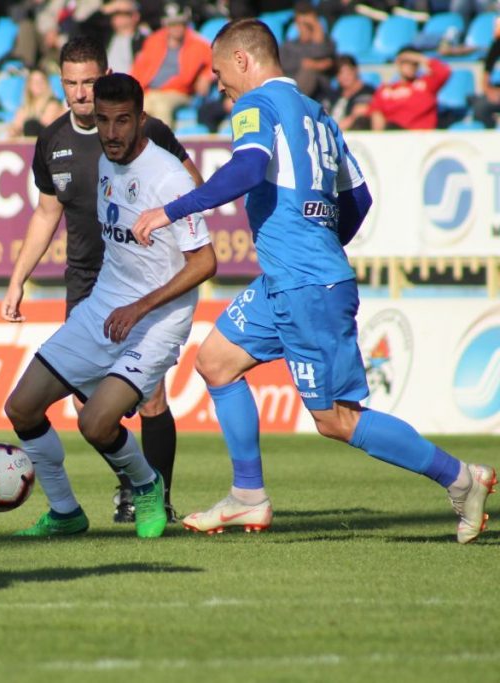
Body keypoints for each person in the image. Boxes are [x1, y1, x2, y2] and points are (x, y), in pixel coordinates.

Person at [130, 18, 497, 543]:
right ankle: (247, 497)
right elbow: (360, 199)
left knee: (336, 419)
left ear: (242, 60)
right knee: (215, 362)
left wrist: (172, 210)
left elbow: (249, 168)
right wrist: (321, 242)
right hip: (289, 278)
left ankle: (461, 479)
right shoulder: (320, 116)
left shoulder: (254, 105)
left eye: (217, 72)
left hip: (304, 283)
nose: (218, 85)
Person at [4, 72, 216, 539]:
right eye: (103, 121)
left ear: (141, 119)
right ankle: (65, 512)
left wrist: (139, 308)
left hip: (159, 318)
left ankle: (146, 486)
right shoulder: (103, 162)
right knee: (20, 408)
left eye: (123, 121)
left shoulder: (169, 177)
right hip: (105, 306)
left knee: (96, 423)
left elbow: (206, 262)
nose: (112, 132)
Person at [129, 3, 213, 126]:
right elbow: (139, 69)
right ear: (166, 25)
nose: (177, 28)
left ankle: (165, 144)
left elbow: (217, 61)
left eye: (180, 23)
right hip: (149, 92)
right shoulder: (153, 40)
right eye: (172, 24)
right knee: (132, 109)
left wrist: (207, 76)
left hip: (179, 92)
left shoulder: (198, 43)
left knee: (161, 105)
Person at [368, 46, 450, 131]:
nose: (411, 66)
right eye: (406, 62)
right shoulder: (385, 90)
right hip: (392, 135)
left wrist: (419, 58)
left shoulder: (427, 84)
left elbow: (443, 72)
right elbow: (376, 113)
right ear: (398, 63)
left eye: (414, 63)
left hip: (419, 136)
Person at [278, 1, 335, 101]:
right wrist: (314, 64)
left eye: (309, 24)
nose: (305, 27)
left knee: (309, 71)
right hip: (293, 86)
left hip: (319, 93)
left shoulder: (327, 43)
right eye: (301, 24)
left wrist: (317, 28)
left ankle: (294, 100)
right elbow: (284, 65)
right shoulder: (288, 46)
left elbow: (327, 59)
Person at [6, 67, 64, 138]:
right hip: (30, 142)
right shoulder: (25, 107)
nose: (37, 84)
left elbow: (46, 124)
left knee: (31, 125)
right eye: (34, 81)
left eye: (41, 81)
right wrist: (14, 130)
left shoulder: (53, 104)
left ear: (46, 83)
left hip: (47, 142)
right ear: (29, 85)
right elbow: (16, 125)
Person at [324, 54, 373, 131]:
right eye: (340, 73)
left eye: (347, 72)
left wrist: (335, 130)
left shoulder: (367, 92)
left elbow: (358, 115)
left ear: (355, 70)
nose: (344, 76)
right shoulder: (332, 95)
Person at [100, 0, 148, 75]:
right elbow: (86, 24)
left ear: (135, 16)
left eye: (123, 13)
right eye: (115, 13)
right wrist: (110, 7)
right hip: (105, 82)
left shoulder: (144, 40)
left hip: (128, 83)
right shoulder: (105, 36)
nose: (117, 17)